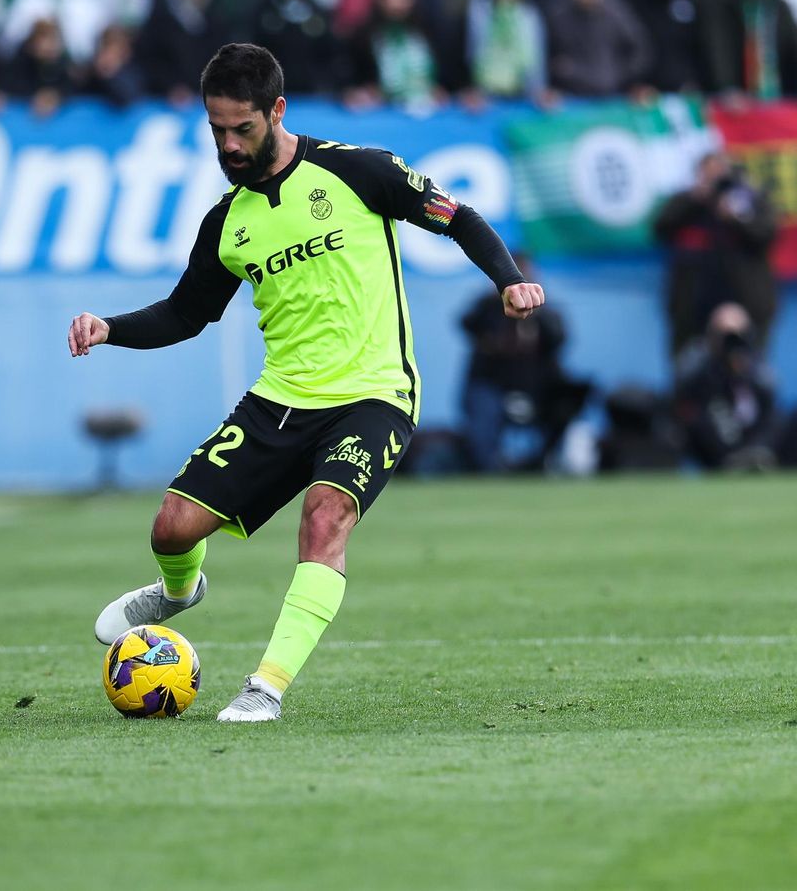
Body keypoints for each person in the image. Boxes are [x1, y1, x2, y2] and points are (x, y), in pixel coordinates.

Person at [66, 43, 541, 723]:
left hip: (374, 393)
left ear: (277, 110)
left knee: (324, 516)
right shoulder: (227, 223)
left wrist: (509, 280)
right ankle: (177, 592)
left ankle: (265, 686)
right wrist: (108, 327)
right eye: (217, 130)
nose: (229, 146)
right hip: (280, 399)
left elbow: (457, 216)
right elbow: (186, 314)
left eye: (242, 128)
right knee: (172, 528)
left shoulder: (359, 171)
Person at [459, 267, 590, 472]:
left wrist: (534, 309)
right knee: (483, 410)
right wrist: (498, 295)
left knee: (567, 404)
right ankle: (489, 470)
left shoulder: (546, 314)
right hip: (493, 387)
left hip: (538, 389)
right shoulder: (487, 310)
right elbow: (466, 322)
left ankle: (544, 463)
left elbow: (559, 338)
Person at [653, 152, 778, 356]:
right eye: (708, 175)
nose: (714, 180)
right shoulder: (687, 201)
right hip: (692, 306)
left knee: (746, 363)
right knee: (691, 364)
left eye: (719, 173)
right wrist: (694, 200)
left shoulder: (749, 200)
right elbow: (660, 230)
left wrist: (735, 217)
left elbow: (765, 235)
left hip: (748, 302)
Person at [674, 302, 781, 471]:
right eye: (725, 335)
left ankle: (753, 455)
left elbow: (769, 401)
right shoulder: (699, 360)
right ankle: (733, 460)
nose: (732, 342)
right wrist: (718, 368)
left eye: (739, 334)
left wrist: (744, 370)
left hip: (751, 434)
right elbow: (684, 391)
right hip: (713, 443)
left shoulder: (755, 364)